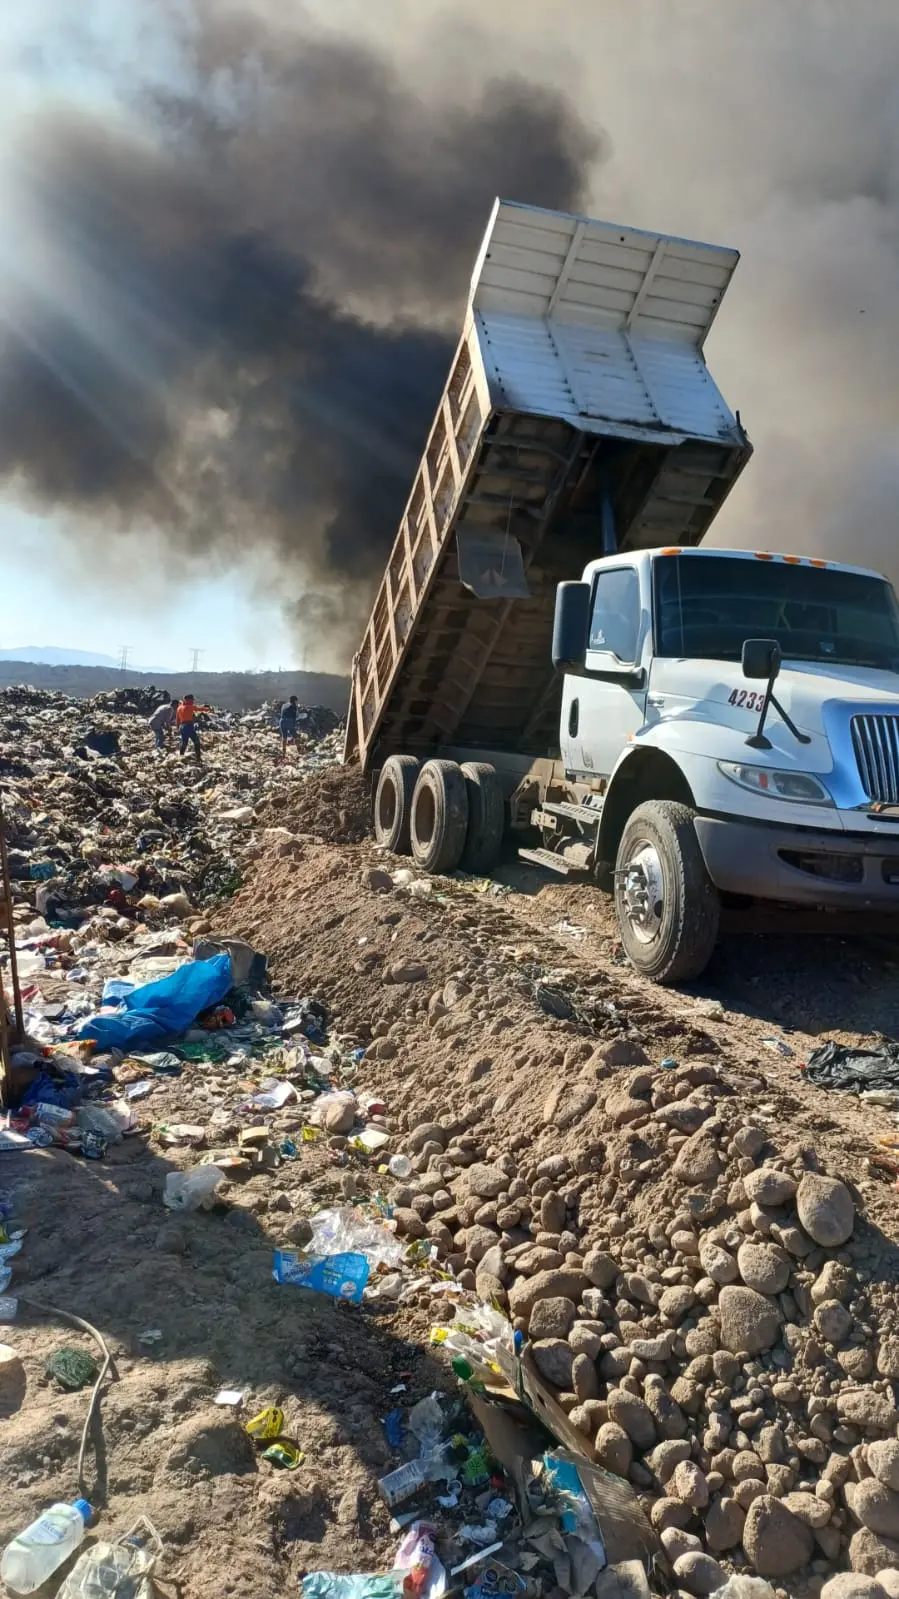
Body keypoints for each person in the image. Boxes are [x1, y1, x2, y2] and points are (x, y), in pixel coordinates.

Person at [176, 694, 212, 760]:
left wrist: (178, 727)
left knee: (184, 742)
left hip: (182, 726)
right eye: (192, 700)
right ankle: (198, 758)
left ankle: (181, 756)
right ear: (188, 700)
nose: (193, 701)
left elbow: (177, 719)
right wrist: (208, 709)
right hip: (188, 726)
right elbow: (199, 709)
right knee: (196, 741)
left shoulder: (179, 707)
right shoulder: (189, 706)